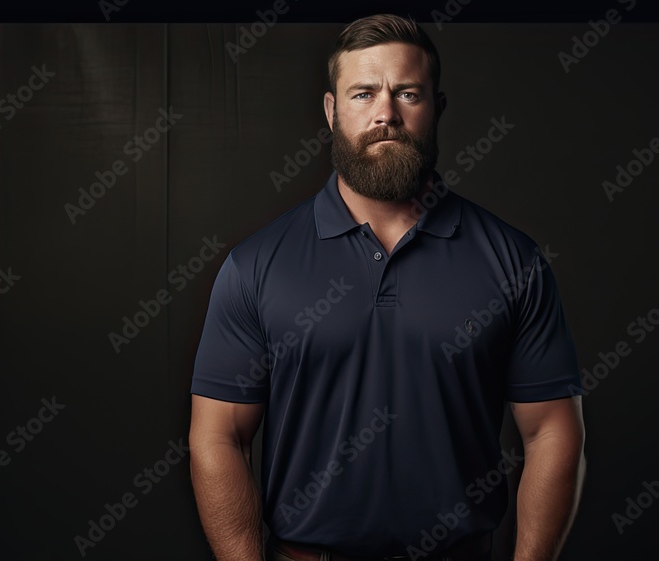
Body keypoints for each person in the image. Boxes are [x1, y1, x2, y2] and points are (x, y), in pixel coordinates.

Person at [189, 13, 586, 561]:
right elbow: (217, 438)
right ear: (332, 111)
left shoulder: (514, 261)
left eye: (407, 93)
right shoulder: (255, 265)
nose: (385, 113)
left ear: (436, 108)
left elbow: (551, 433)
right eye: (363, 93)